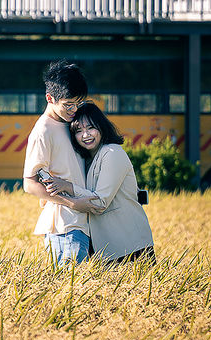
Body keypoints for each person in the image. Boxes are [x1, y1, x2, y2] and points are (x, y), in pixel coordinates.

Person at [44, 102, 154, 262]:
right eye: (78, 131)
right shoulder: (87, 160)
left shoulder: (112, 153)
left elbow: (100, 202)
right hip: (109, 250)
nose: (85, 135)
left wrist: (67, 187)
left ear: (101, 127)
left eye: (90, 128)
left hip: (131, 247)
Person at [22, 60, 90, 265]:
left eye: (78, 103)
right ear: (49, 98)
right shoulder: (43, 131)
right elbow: (29, 184)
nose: (74, 110)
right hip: (64, 228)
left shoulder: (71, 123)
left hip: (82, 223)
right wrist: (71, 202)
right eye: (68, 105)